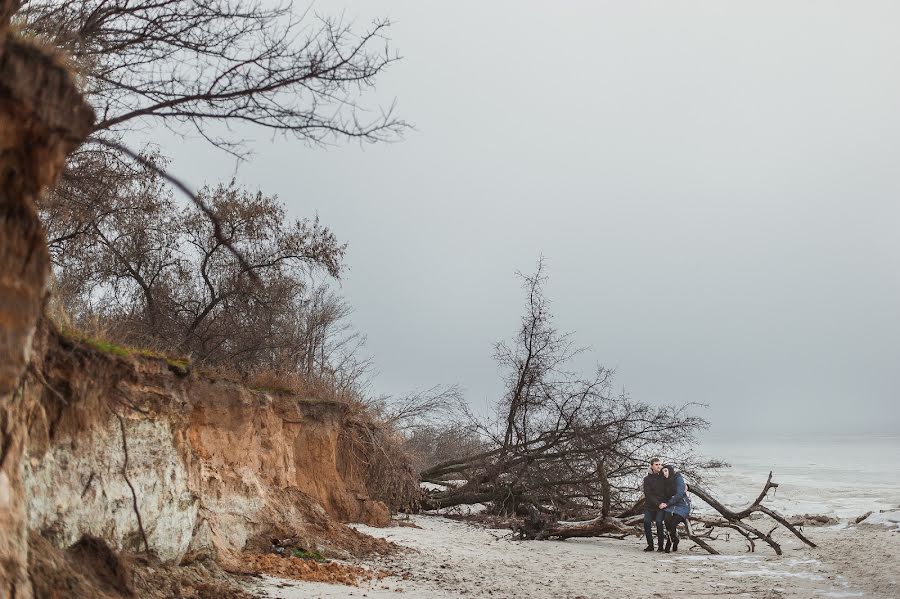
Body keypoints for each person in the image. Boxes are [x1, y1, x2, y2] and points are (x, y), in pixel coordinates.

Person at [659, 464, 691, 553]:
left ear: (670, 470)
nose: (664, 473)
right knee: (667, 520)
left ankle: (669, 543)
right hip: (671, 504)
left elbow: (680, 494)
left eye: (666, 471)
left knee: (673, 524)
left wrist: (667, 503)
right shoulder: (664, 481)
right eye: (663, 472)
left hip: (682, 504)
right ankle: (675, 539)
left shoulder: (678, 478)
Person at [642, 457, 667, 552]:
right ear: (651, 466)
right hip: (650, 505)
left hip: (662, 506)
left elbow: (670, 489)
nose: (659, 466)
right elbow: (648, 494)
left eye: (660, 464)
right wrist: (658, 503)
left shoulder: (664, 477)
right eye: (656, 464)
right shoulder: (647, 479)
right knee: (646, 522)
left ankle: (661, 546)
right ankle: (650, 545)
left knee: (659, 522)